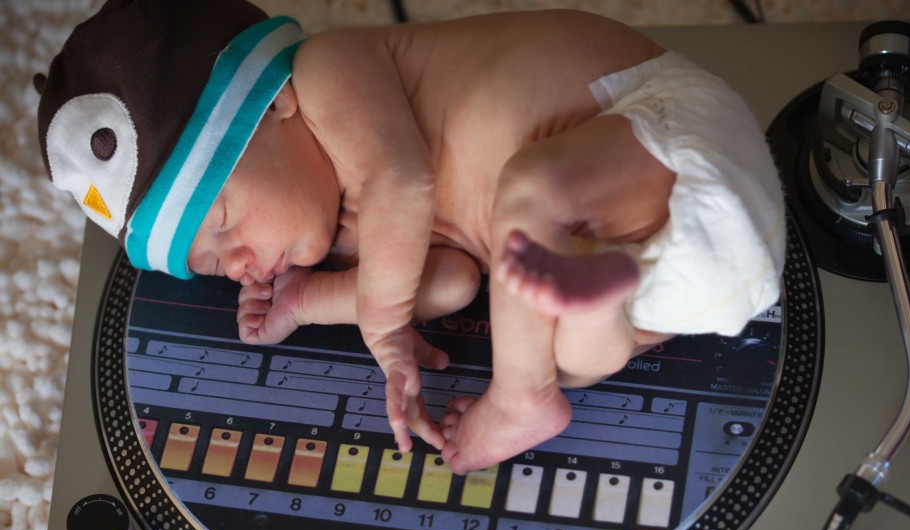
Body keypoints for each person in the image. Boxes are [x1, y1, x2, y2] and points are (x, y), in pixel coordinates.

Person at [37, 0, 785, 475]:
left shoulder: (330, 70)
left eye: (222, 219)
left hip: (665, 140)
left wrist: (383, 327)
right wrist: (309, 299)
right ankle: (594, 292)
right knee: (564, 348)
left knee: (527, 198)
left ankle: (522, 398)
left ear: (274, 106)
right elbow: (450, 281)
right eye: (207, 264)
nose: (232, 263)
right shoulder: (354, 225)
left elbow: (404, 182)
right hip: (673, 274)